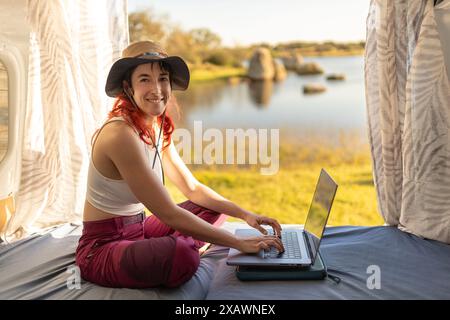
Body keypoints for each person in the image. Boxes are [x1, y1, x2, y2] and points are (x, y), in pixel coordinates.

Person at [75, 41, 284, 288]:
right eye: (144, 79)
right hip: (102, 248)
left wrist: (246, 215)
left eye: (162, 78)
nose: (157, 88)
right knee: (182, 254)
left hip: (140, 229)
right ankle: (179, 247)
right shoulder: (120, 134)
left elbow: (192, 188)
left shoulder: (156, 126)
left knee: (213, 209)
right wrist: (238, 243)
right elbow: (168, 213)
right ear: (127, 87)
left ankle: (175, 245)